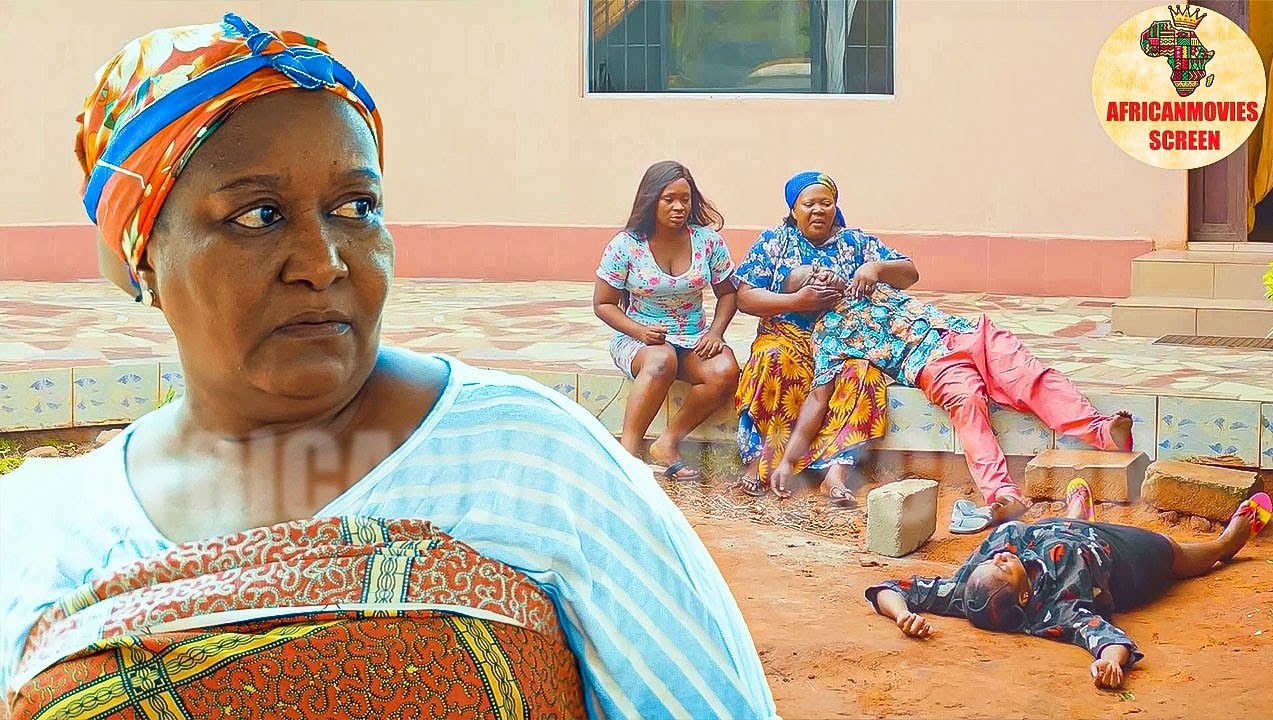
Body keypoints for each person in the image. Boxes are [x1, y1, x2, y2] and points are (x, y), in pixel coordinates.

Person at [0, 15, 779, 720]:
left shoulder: (532, 462)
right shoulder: (44, 532)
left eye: (356, 208)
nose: (322, 262)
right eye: (256, 215)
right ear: (141, 255)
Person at [766, 187, 1134, 525]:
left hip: (966, 333)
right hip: (930, 365)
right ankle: (1002, 494)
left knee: (1030, 379)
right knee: (968, 406)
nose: (822, 276)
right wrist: (787, 461)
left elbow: (909, 271)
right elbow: (817, 399)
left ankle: (1104, 432)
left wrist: (875, 268)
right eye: (811, 278)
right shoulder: (827, 336)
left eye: (821, 269)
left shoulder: (865, 279)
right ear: (804, 299)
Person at [866, 478, 1273, 689]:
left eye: (991, 562)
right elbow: (1107, 639)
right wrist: (1110, 664)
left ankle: (1077, 512)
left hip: (1060, 530)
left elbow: (891, 588)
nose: (997, 557)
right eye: (1003, 567)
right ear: (1024, 594)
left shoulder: (966, 593)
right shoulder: (1059, 610)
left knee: (1062, 527)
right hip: (1121, 557)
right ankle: (1228, 542)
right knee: (1173, 553)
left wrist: (902, 616)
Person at [733, 171, 915, 506]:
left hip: (842, 342)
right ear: (793, 209)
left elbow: (910, 272)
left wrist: (876, 268)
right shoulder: (775, 242)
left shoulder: (855, 243)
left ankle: (835, 473)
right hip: (787, 335)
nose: (818, 210)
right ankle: (760, 463)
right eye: (809, 204)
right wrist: (795, 302)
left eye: (826, 203)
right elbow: (745, 297)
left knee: (864, 375)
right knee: (771, 360)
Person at [593, 161, 740, 481]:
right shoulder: (626, 245)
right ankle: (626, 456)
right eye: (669, 199)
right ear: (651, 200)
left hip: (694, 336)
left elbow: (729, 293)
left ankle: (667, 444)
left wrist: (716, 333)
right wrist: (640, 330)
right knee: (662, 360)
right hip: (639, 337)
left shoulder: (707, 241)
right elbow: (603, 304)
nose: (678, 207)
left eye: (685, 199)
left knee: (725, 370)